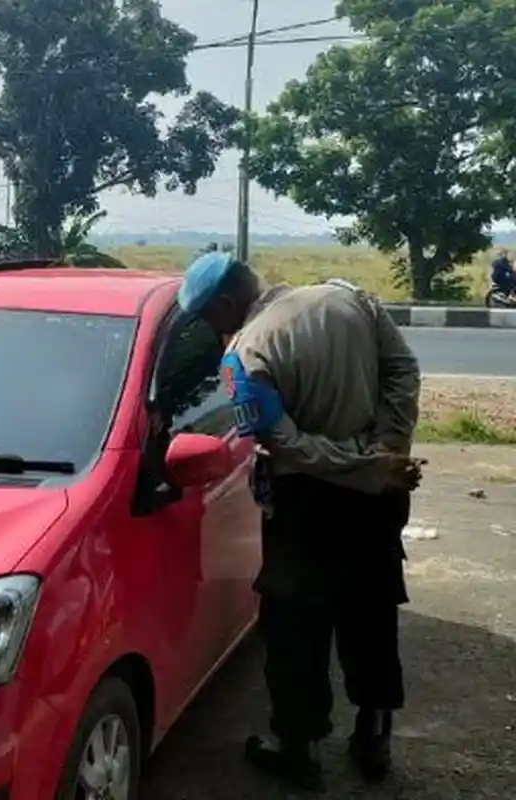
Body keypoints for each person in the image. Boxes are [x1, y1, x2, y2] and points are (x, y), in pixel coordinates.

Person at [177, 252, 423, 792]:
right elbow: (403, 370)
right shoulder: (348, 296)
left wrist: (362, 465)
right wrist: (386, 448)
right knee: (372, 610)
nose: (209, 331)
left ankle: (298, 748)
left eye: (207, 319)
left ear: (224, 305)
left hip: (307, 505)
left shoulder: (244, 356)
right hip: (379, 496)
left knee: (296, 630)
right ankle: (374, 737)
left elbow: (282, 445)